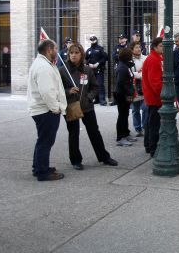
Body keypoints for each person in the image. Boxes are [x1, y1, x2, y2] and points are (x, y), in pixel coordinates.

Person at [59, 43, 118, 170]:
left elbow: (95, 87)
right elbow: (57, 90)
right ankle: (75, 160)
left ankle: (104, 157)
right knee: (73, 133)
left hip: (87, 106)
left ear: (82, 55)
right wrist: (68, 91)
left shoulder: (87, 70)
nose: (74, 55)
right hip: (71, 106)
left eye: (76, 53)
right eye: (71, 53)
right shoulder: (62, 71)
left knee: (94, 132)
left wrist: (89, 98)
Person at [27, 39, 67, 181]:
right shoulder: (43, 67)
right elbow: (47, 92)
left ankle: (39, 167)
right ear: (49, 49)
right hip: (45, 111)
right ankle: (42, 172)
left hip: (44, 110)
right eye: (55, 49)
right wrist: (55, 108)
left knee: (43, 140)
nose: (57, 51)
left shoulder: (44, 64)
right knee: (45, 141)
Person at [142, 37, 163, 157]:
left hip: (154, 96)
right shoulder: (153, 59)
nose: (163, 48)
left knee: (151, 122)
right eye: (161, 46)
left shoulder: (158, 58)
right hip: (154, 97)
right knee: (153, 124)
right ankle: (152, 147)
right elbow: (155, 82)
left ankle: (148, 145)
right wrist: (164, 94)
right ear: (155, 47)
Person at [114, 47, 137, 146]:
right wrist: (130, 92)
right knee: (122, 116)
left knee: (125, 114)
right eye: (130, 55)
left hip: (124, 94)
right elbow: (121, 82)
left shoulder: (124, 65)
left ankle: (126, 133)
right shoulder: (122, 68)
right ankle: (120, 137)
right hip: (121, 94)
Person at [130, 41, 148, 137]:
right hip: (134, 87)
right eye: (136, 47)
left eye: (139, 47)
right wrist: (137, 75)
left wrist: (138, 75)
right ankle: (138, 129)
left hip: (145, 86)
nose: (138, 49)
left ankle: (144, 126)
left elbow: (148, 71)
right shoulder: (130, 60)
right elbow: (130, 73)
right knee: (135, 109)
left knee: (145, 108)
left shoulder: (145, 58)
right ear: (132, 49)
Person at [85, 35, 108, 105]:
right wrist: (89, 64)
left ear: (96, 40)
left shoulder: (100, 49)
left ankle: (102, 100)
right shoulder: (88, 50)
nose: (93, 41)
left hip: (99, 69)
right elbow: (86, 59)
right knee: (93, 85)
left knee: (100, 84)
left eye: (94, 40)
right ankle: (96, 99)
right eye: (91, 40)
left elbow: (105, 58)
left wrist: (98, 63)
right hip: (91, 70)